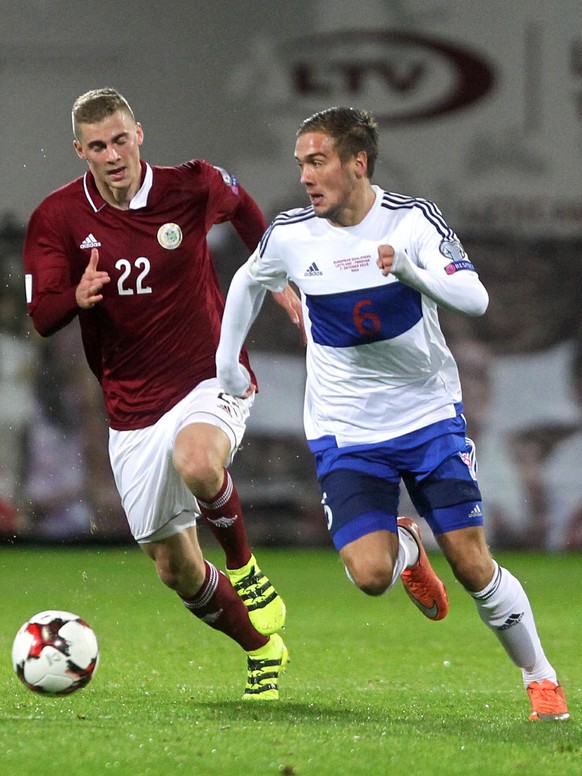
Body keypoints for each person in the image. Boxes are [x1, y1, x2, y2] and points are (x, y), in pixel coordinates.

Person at [216, 106, 570, 720]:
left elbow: (476, 298)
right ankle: (405, 551)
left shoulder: (412, 223)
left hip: (428, 416)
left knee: (471, 562)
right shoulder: (293, 234)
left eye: (318, 160)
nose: (305, 175)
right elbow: (249, 281)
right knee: (371, 575)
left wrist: (412, 270)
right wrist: (227, 360)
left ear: (358, 163)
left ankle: (540, 677)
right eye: (300, 163)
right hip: (345, 430)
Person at [23, 87, 303, 700]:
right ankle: (261, 649)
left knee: (198, 461)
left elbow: (247, 207)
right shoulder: (58, 218)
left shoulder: (191, 185)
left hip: (210, 375)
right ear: (81, 151)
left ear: (139, 134)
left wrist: (273, 270)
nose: (113, 154)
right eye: (98, 146)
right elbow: (41, 315)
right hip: (131, 410)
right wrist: (75, 296)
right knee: (174, 568)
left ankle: (246, 568)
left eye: (120, 139)